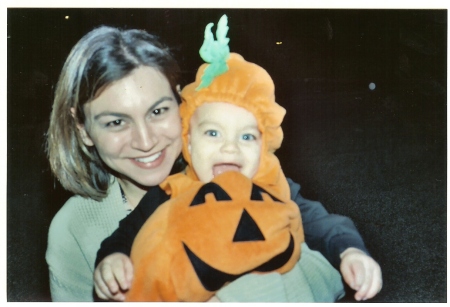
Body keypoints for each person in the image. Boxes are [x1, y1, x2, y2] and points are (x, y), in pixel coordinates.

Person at [46, 23, 380, 302]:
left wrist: (350, 253)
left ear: (182, 103)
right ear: (82, 128)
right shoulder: (73, 230)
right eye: (116, 122)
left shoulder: (249, 178)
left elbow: (327, 270)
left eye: (158, 111)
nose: (145, 141)